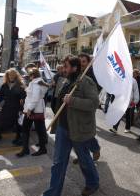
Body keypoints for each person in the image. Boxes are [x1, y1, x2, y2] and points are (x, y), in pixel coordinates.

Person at [43, 56, 99, 196]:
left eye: (66, 66)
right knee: (58, 163)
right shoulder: (66, 80)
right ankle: (53, 193)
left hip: (79, 130)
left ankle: (92, 183)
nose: (64, 68)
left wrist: (72, 100)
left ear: (74, 68)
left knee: (84, 161)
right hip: (63, 128)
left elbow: (94, 104)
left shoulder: (86, 82)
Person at [0, 69, 26, 145]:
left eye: (13, 75)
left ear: (16, 76)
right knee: (1, 121)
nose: (11, 76)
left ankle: (18, 138)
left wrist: (22, 105)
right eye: (9, 75)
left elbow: (23, 96)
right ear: (7, 76)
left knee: (17, 123)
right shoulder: (4, 85)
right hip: (6, 106)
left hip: (16, 107)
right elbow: (0, 96)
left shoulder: (20, 85)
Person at [16, 68, 49, 157]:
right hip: (38, 109)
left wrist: (29, 109)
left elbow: (35, 97)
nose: (29, 77)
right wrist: (26, 88)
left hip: (33, 109)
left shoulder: (35, 83)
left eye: (29, 75)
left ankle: (27, 149)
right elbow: (34, 94)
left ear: (33, 75)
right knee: (40, 130)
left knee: (26, 129)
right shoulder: (39, 82)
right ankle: (41, 148)